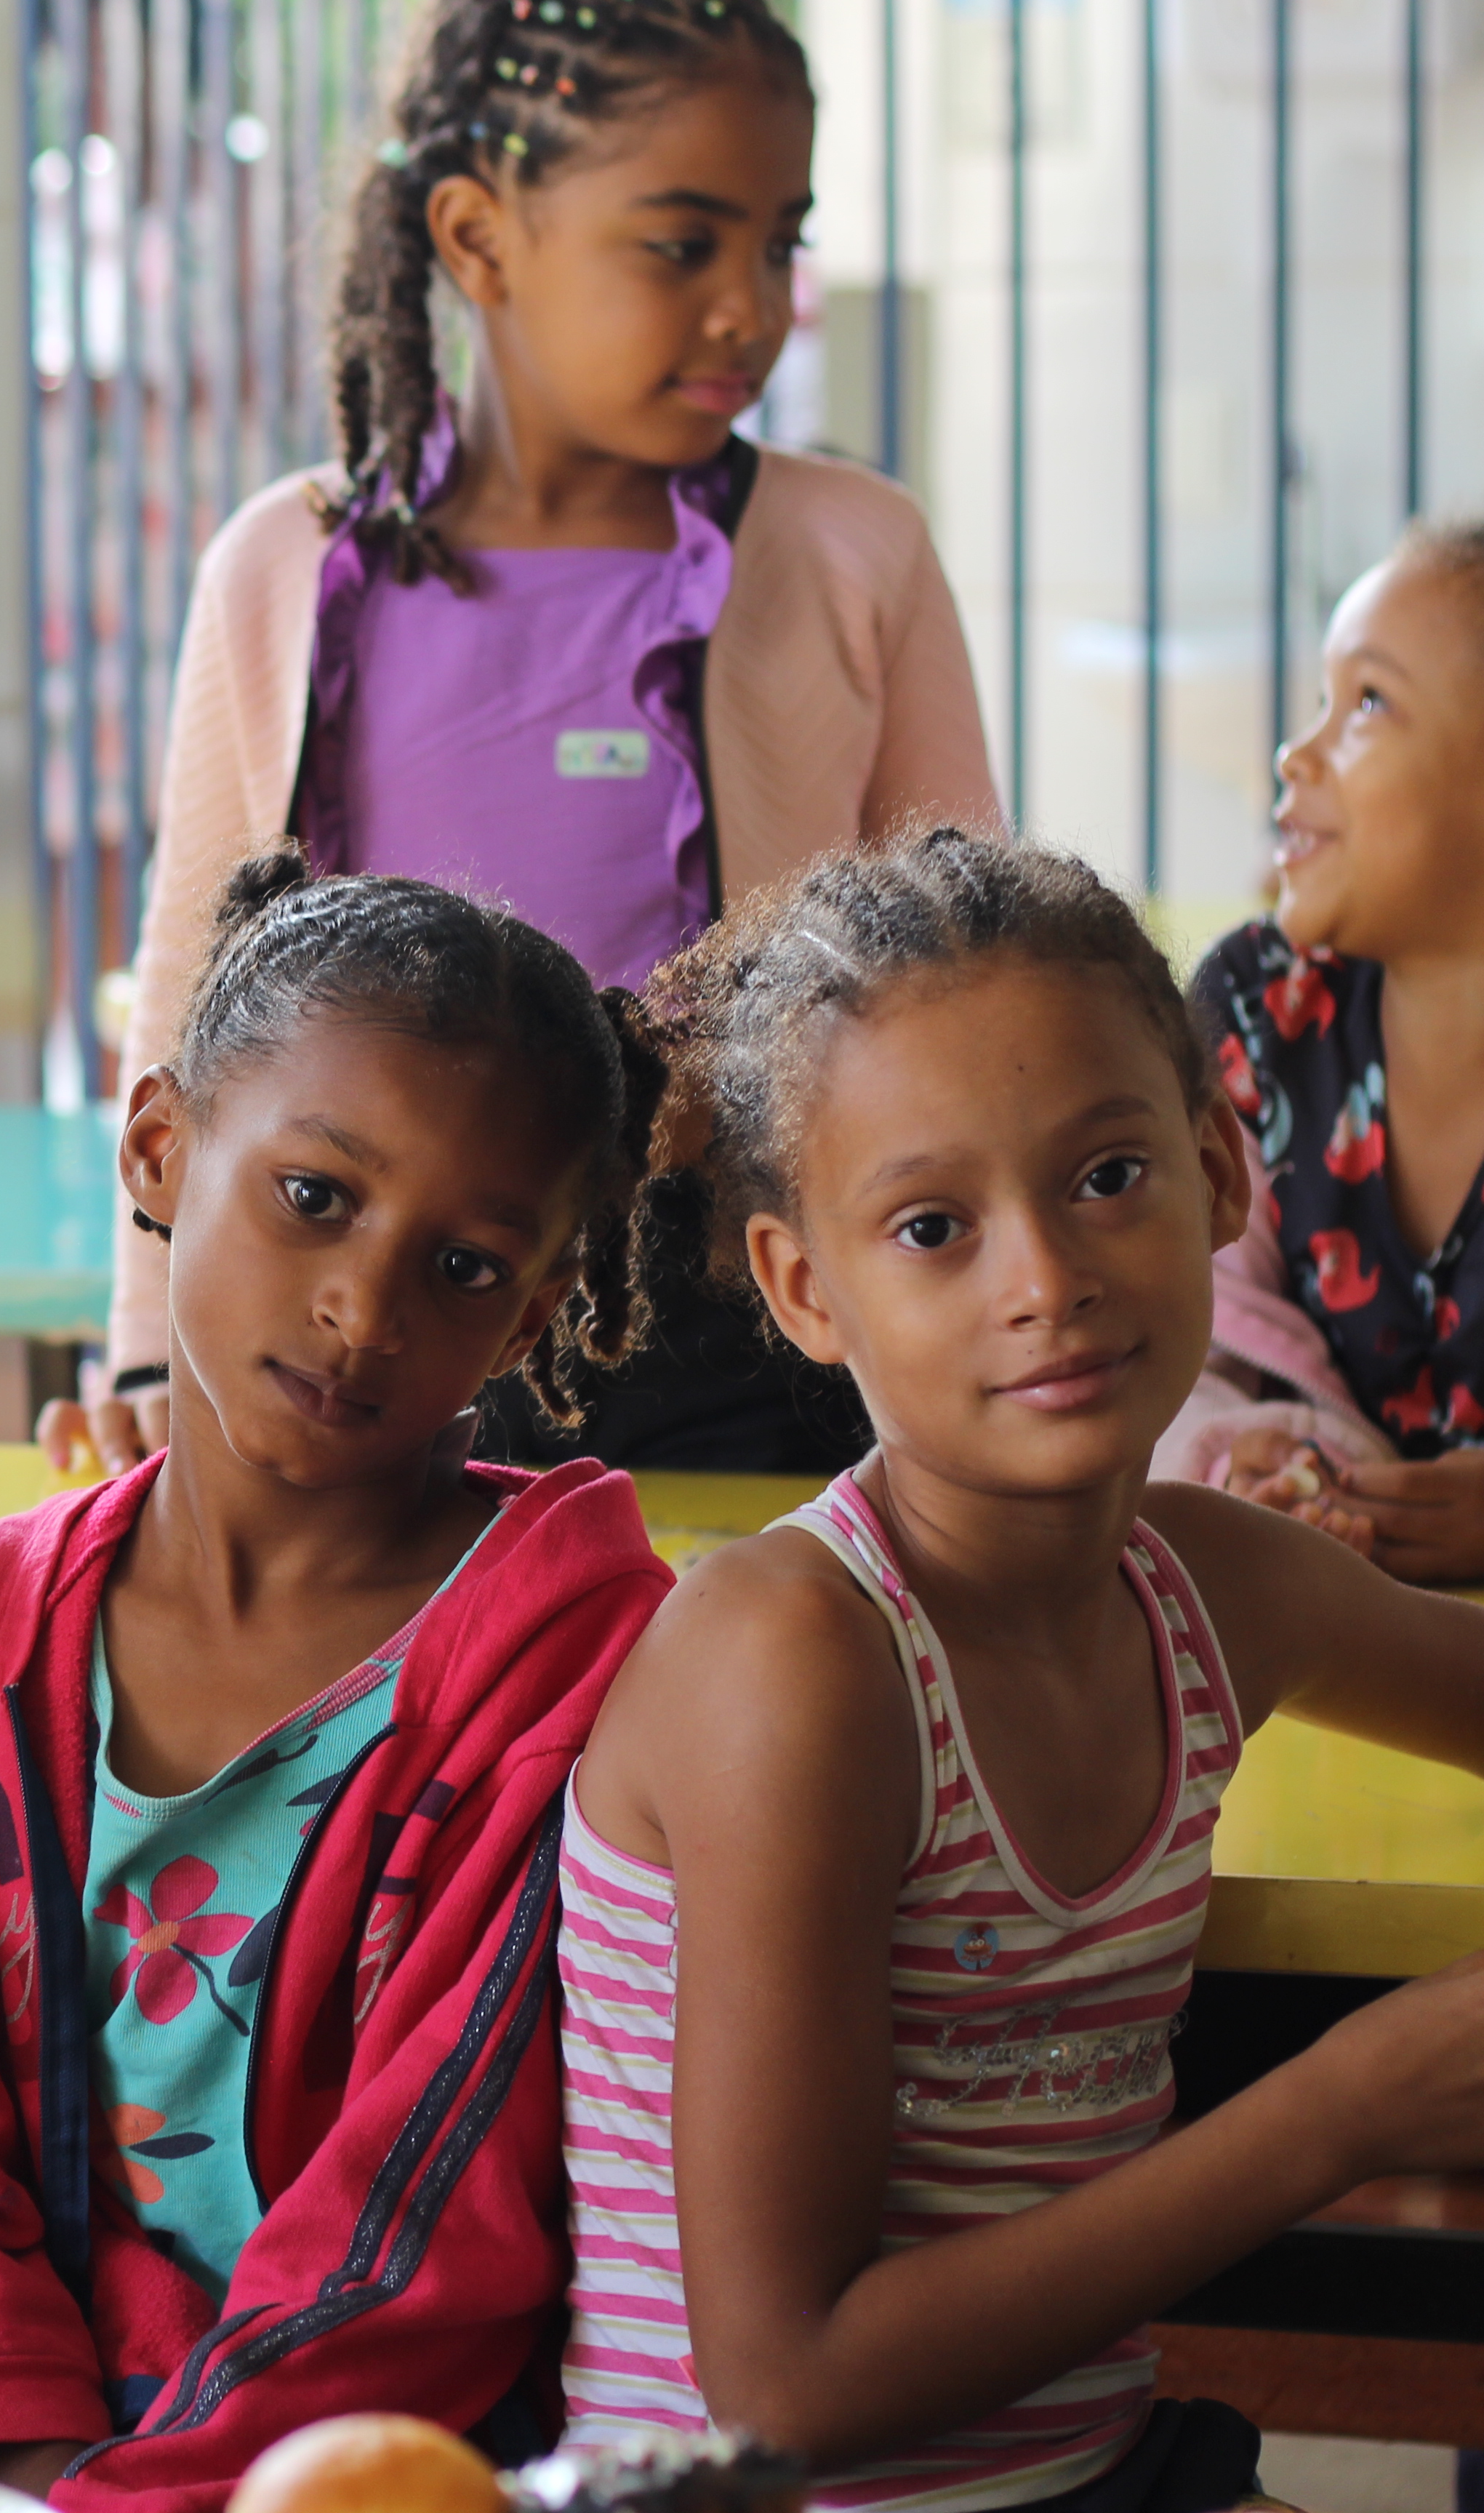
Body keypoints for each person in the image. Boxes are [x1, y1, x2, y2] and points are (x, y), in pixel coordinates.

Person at [563, 831, 1484, 2513]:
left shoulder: (1207, 1586)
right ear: (800, 1286)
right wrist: (1340, 2107)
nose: (1044, 1279)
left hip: (1094, 2473)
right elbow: (785, 2382)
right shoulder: (798, 1658)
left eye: (1107, 1176)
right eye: (930, 1224)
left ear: (1220, 1166)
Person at [54, 0, 995, 1480]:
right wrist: (142, 1353)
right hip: (366, 1318)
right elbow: (194, 987)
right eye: (684, 245)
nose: (749, 306)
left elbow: (960, 976)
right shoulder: (286, 570)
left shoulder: (853, 553)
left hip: (760, 1338)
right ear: (480, 240)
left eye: (779, 244)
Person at [0, 859, 677, 2511]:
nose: (360, 1304)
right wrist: (26, 2482)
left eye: (461, 1267)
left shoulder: (582, 1674)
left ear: (532, 1310)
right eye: (314, 1195)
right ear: (158, 1146)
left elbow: (437, 2227)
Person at [1159, 521, 1484, 1582]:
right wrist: (1249, 1463)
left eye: (1370, 704)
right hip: (1340, 1665)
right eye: (1321, 701)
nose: (1295, 754)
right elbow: (1184, 1333)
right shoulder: (1264, 1013)